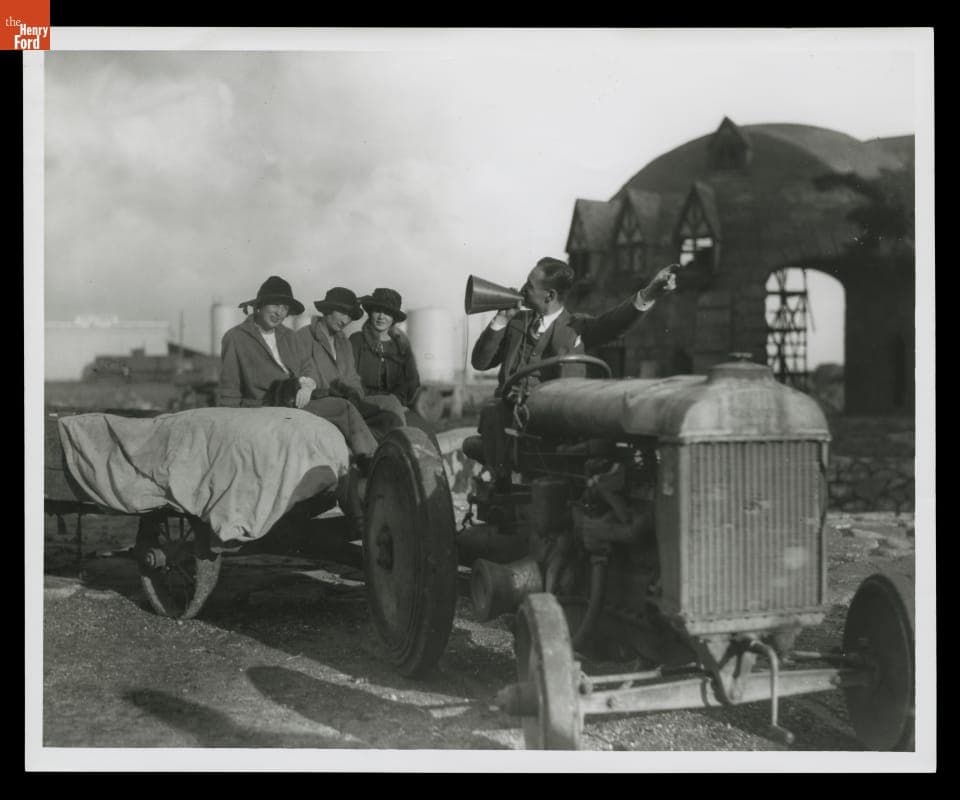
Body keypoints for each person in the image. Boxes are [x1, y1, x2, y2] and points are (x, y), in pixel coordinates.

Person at [469, 256, 679, 481]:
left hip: (553, 424)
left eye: (529, 286)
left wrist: (649, 293)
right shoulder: (516, 322)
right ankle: (501, 485)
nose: (521, 289)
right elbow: (480, 363)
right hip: (508, 420)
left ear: (549, 295)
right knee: (492, 412)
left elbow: (615, 322)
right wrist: (501, 320)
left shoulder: (578, 327)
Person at [217, 275, 378, 461]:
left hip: (294, 403)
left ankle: (366, 458)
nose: (279, 312)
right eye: (275, 305)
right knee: (343, 408)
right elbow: (229, 388)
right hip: (262, 408)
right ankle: (374, 461)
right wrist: (228, 430)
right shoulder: (236, 337)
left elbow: (306, 366)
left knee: (345, 408)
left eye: (284, 308)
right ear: (259, 305)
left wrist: (307, 383)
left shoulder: (289, 336)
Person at [296, 287, 405, 441]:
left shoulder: (344, 343)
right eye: (342, 312)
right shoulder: (303, 338)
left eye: (350, 316)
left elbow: (353, 378)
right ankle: (371, 454)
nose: (345, 320)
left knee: (390, 403)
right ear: (327, 310)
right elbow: (305, 376)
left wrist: (355, 394)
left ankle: (404, 447)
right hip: (321, 402)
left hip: (349, 401)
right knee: (352, 412)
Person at [349, 288, 438, 445]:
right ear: (370, 313)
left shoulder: (401, 345)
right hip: (364, 405)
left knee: (426, 434)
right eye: (377, 311)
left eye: (387, 313)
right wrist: (376, 401)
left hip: (395, 406)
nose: (382, 317)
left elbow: (411, 380)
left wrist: (397, 399)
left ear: (394, 318)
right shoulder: (356, 341)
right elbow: (348, 377)